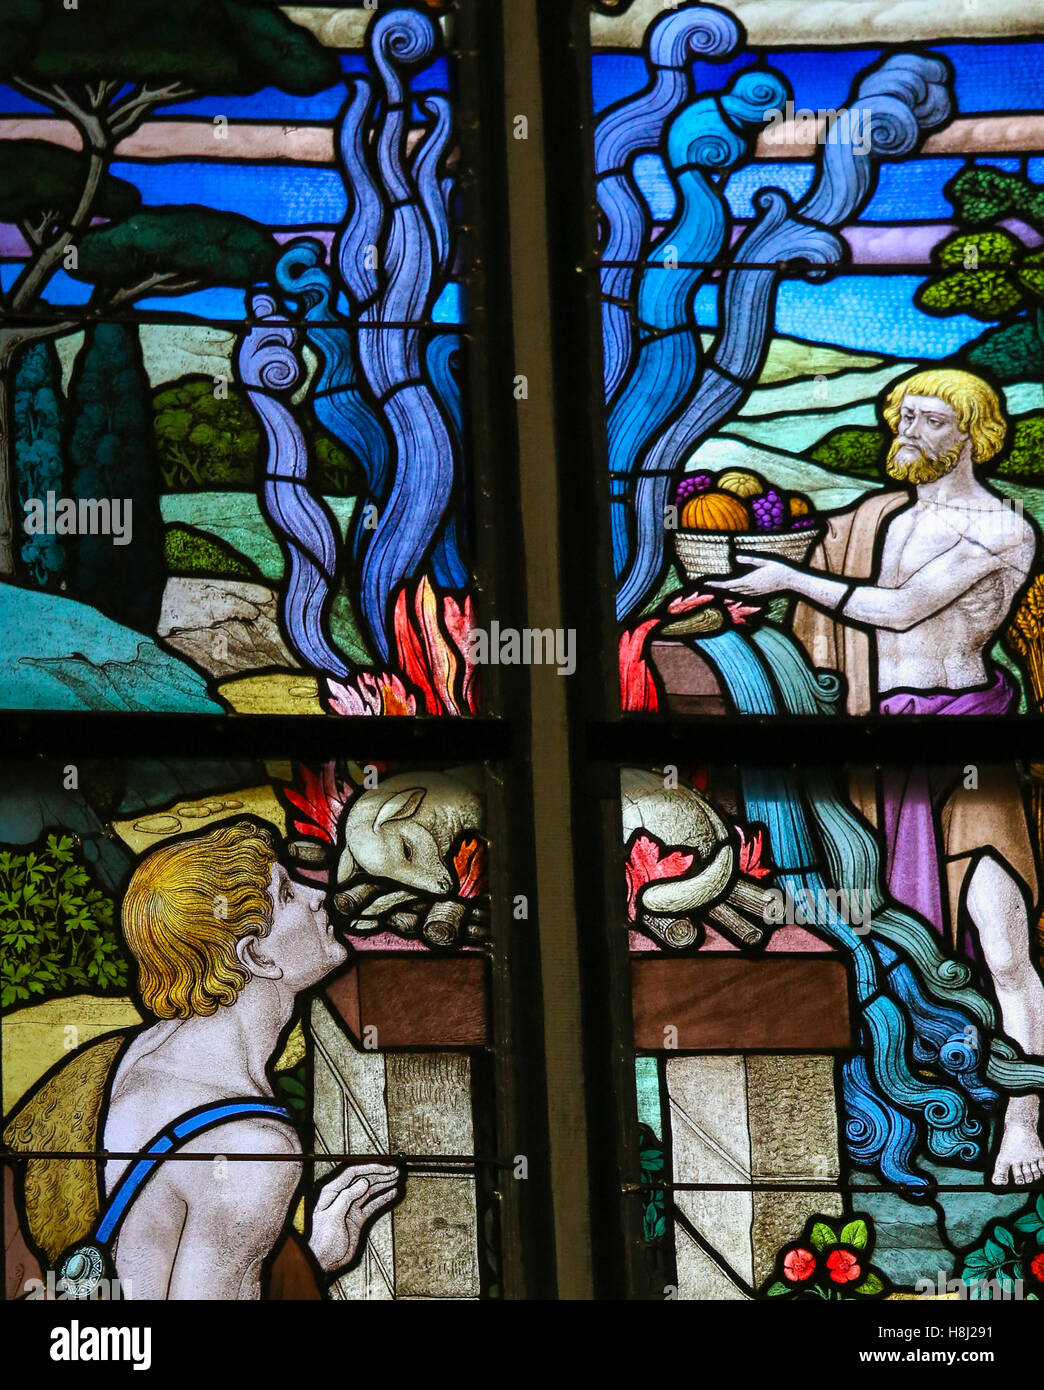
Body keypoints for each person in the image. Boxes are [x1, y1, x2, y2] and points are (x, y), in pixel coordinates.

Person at [710, 367, 1044, 1186]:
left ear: (973, 433)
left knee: (1003, 945)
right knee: (879, 937)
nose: (907, 432)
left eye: (928, 420)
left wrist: (788, 577)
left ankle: (1024, 1123)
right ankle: (895, 1116)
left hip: (966, 748)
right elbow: (827, 574)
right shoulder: (872, 519)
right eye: (904, 416)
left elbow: (900, 610)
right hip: (876, 741)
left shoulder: (1001, 528)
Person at [4, 819, 402, 1298]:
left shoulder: (111, 1062)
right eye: (287, 895)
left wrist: (305, 1255)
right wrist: (311, 1267)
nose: (315, 895)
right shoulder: (253, 1148)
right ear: (256, 956)